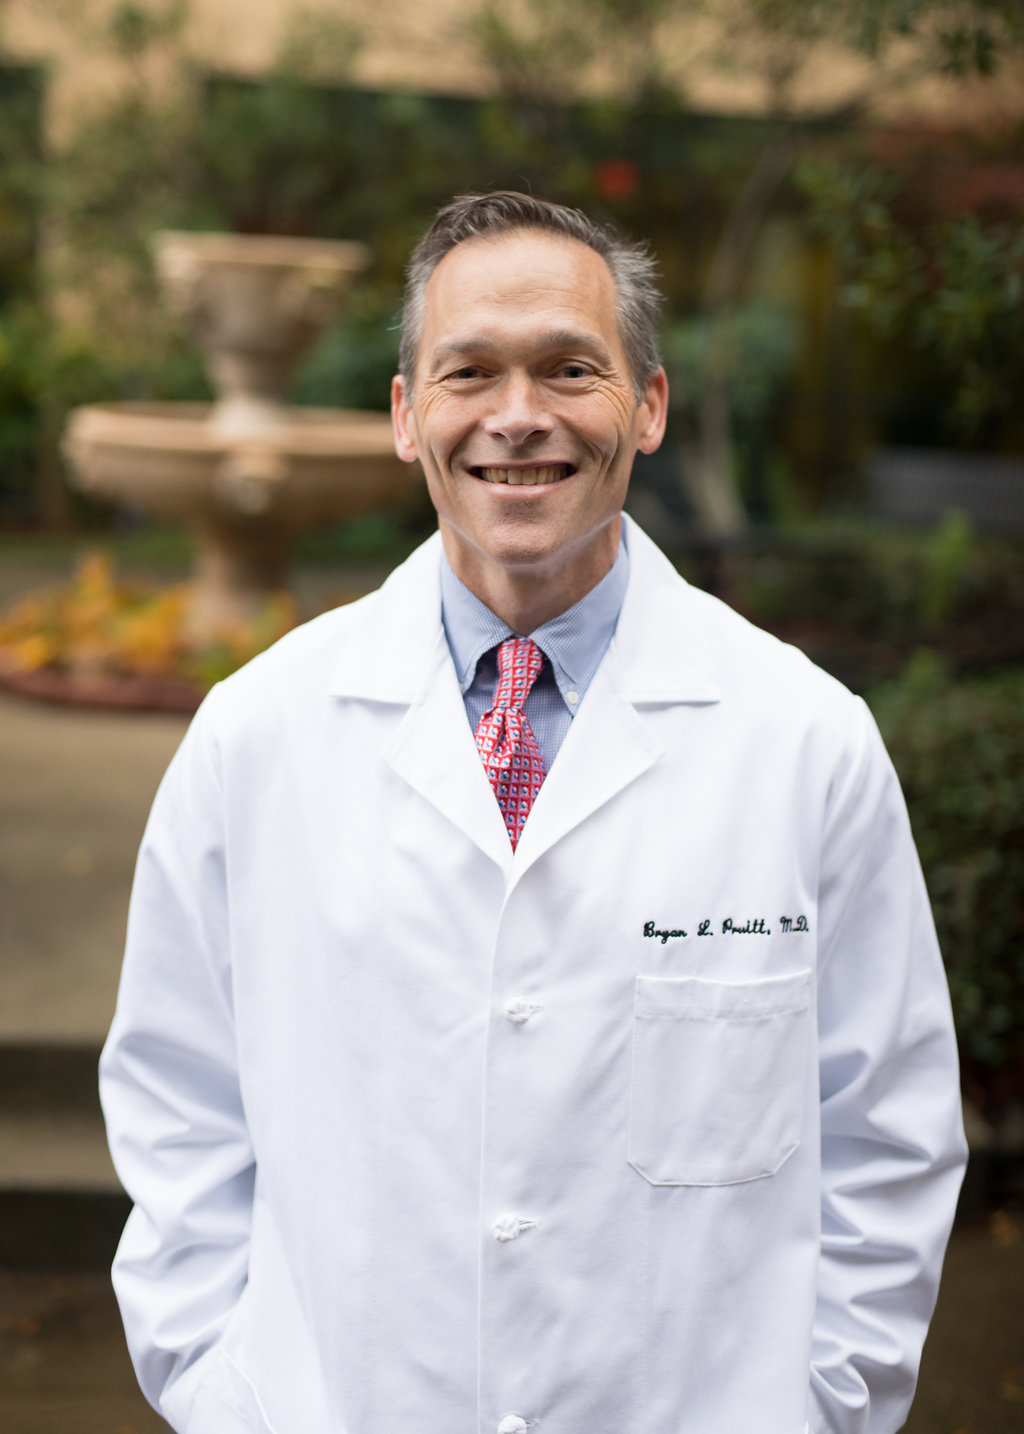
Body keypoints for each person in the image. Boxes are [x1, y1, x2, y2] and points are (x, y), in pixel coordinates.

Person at [100, 192, 967, 1434]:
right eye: (468, 372)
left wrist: (822, 1407)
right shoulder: (258, 734)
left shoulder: (803, 740)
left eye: (570, 368)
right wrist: (224, 1393)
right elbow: (177, 1106)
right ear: (407, 415)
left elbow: (888, 1130)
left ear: (647, 407)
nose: (517, 416)